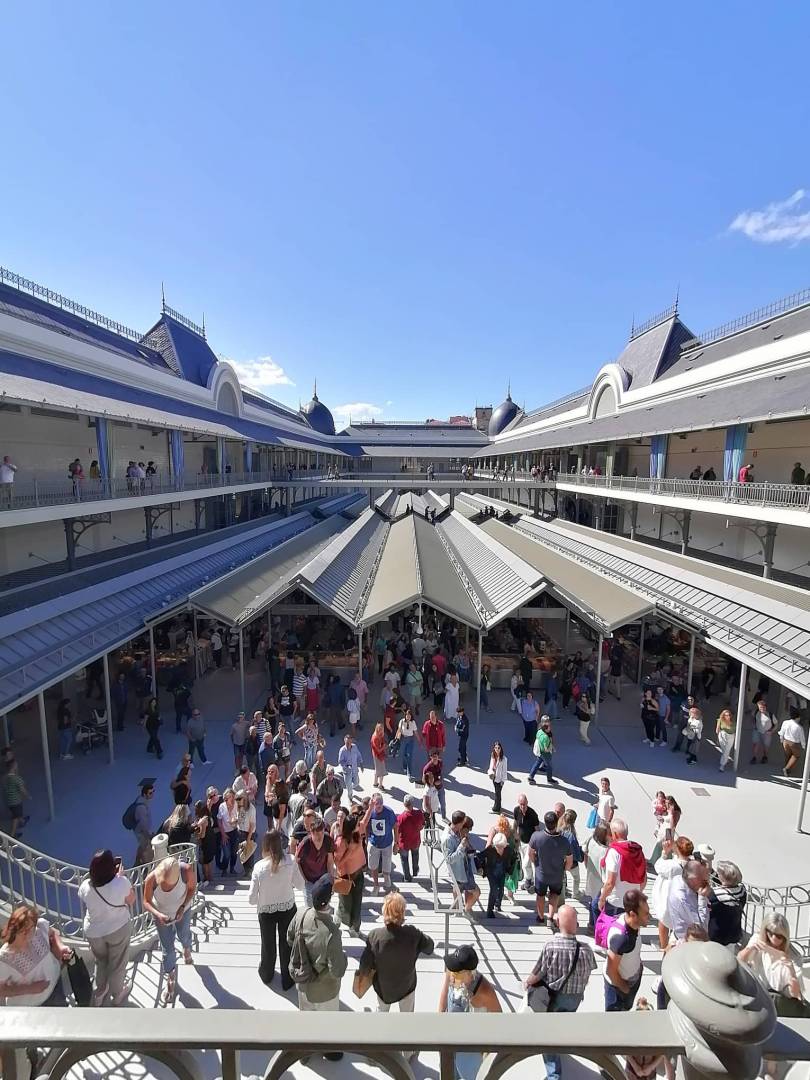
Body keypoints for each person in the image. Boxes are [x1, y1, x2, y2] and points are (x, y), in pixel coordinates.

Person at [524, 905, 597, 1080]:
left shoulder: (550, 946)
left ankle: (553, 1074)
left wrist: (526, 983)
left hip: (554, 998)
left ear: (557, 922)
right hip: (575, 998)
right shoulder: (586, 949)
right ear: (577, 925)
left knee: (548, 1034)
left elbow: (538, 973)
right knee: (564, 1025)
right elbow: (588, 973)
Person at [286, 877, 347, 1056]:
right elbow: (337, 970)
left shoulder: (300, 914)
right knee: (327, 1025)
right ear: (329, 900)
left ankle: (305, 1053)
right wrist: (343, 958)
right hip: (325, 991)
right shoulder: (331, 932)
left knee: (306, 1021)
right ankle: (329, 1052)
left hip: (303, 983)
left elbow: (289, 939)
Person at [358, 891, 434, 1032]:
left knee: (381, 1014)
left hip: (383, 987)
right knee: (407, 1021)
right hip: (407, 985)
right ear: (403, 912)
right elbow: (430, 947)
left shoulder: (375, 936)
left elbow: (364, 966)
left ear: (384, 911)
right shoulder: (413, 934)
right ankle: (407, 1051)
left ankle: (381, 1045)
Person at [78, 850, 135, 1006]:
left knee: (101, 960)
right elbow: (131, 900)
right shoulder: (120, 882)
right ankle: (117, 994)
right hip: (118, 928)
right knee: (117, 963)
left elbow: (85, 899)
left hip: (93, 931)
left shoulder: (85, 886)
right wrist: (121, 877)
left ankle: (100, 991)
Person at [248, 831, 301, 990]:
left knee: (268, 944)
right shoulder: (291, 861)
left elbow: (251, 899)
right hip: (287, 908)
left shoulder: (258, 867)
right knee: (287, 944)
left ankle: (266, 973)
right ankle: (288, 979)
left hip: (266, 910)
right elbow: (301, 885)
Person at [143, 856, 196, 1003]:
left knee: (184, 934)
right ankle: (170, 976)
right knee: (167, 948)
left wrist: (183, 907)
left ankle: (186, 949)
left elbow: (192, 888)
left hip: (182, 911)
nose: (165, 886)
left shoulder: (186, 870)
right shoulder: (151, 879)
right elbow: (146, 901)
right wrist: (158, 914)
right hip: (162, 916)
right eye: (163, 883)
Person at [0, 905, 72, 1006]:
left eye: (30, 929)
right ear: (13, 929)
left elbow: (52, 933)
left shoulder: (40, 928)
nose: (27, 933)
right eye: (23, 930)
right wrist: (30, 988)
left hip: (55, 987)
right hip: (33, 1007)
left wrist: (60, 947)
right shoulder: (4, 958)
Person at [739, 911, 803, 1007]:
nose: (774, 938)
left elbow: (795, 994)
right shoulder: (758, 940)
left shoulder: (793, 956)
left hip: (779, 1004)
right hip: (758, 996)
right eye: (770, 933)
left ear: (785, 937)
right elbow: (740, 960)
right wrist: (751, 948)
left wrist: (791, 973)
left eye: (779, 936)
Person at [603, 889, 649, 1012]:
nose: (648, 917)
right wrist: (626, 990)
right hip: (618, 989)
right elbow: (610, 971)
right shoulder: (620, 938)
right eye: (645, 914)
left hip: (632, 979)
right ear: (633, 914)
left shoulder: (634, 923)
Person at [529, 810, 572, 925]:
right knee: (554, 895)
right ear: (557, 823)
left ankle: (541, 916)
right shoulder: (564, 841)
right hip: (557, 875)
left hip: (541, 874)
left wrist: (536, 864)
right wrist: (564, 870)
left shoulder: (536, 837)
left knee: (540, 895)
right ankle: (551, 917)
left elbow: (531, 853)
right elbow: (569, 861)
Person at [650, 836, 693, 949]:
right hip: (685, 899)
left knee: (663, 920)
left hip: (668, 898)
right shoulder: (692, 865)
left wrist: (664, 852)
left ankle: (664, 946)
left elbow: (657, 866)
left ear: (677, 849)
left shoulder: (672, 866)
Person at [598, 818, 647, 916]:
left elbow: (610, 883)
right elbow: (644, 878)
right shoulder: (638, 850)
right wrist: (637, 892)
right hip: (632, 902)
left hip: (616, 903)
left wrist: (602, 899)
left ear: (615, 834)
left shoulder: (614, 852)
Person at [439, 944, 501, 1013]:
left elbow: (499, 1018)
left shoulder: (485, 992)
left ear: (470, 974)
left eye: (457, 973)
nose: (452, 975)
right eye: (452, 969)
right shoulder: (451, 970)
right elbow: (445, 991)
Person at [333, 811, 367, 936]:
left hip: (358, 874)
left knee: (357, 904)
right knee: (345, 907)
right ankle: (339, 917)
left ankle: (355, 928)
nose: (359, 825)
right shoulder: (341, 842)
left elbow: (365, 820)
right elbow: (337, 863)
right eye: (357, 824)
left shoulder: (357, 835)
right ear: (351, 827)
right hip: (345, 878)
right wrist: (350, 852)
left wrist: (371, 807)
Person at [443, 810, 480, 915]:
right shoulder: (448, 838)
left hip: (463, 868)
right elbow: (449, 859)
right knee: (475, 891)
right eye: (464, 824)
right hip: (460, 870)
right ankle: (466, 909)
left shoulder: (457, 831)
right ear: (460, 824)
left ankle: (458, 908)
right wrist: (462, 846)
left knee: (457, 887)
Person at [296, 813, 335, 906]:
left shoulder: (327, 840)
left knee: (324, 905)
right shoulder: (305, 844)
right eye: (316, 833)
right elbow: (297, 861)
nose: (320, 836)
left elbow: (330, 861)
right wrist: (304, 879)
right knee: (310, 906)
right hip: (309, 878)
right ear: (311, 832)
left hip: (323, 877)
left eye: (321, 832)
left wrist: (330, 877)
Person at [666, 858, 709, 940]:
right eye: (702, 879)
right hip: (687, 942)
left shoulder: (678, 878)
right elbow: (701, 929)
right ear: (693, 879)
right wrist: (702, 898)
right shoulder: (684, 900)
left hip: (678, 933)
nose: (705, 882)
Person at [707, 860, 746, 948]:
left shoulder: (716, 894)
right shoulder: (742, 891)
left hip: (717, 937)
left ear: (722, 878)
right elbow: (727, 882)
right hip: (734, 934)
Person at [367, 793, 398, 895]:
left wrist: (396, 843)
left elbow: (395, 826)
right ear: (373, 804)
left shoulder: (389, 812)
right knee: (373, 866)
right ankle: (376, 885)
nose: (379, 805)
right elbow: (365, 826)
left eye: (380, 803)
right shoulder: (370, 812)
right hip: (374, 843)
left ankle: (386, 878)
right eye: (376, 803)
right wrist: (367, 840)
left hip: (387, 843)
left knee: (387, 863)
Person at [480, 832, 515, 918]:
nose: (500, 849)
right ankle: (489, 910)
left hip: (502, 871)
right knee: (494, 889)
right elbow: (480, 857)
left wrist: (510, 871)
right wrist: (481, 868)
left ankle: (498, 904)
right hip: (491, 872)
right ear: (494, 845)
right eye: (498, 847)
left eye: (502, 847)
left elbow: (514, 859)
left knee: (501, 889)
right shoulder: (490, 849)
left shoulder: (508, 850)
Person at [582, 823, 611, 930]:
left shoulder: (590, 840)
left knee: (592, 900)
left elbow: (585, 852)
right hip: (602, 880)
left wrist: (587, 867)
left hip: (591, 875)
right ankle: (596, 928)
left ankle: (591, 925)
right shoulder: (607, 851)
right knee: (599, 905)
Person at [514, 793, 540, 890]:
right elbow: (516, 824)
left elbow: (537, 829)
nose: (522, 806)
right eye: (521, 804)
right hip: (522, 842)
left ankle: (529, 880)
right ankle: (530, 881)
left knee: (525, 864)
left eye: (524, 804)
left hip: (531, 843)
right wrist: (516, 838)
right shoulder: (516, 811)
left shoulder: (532, 814)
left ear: (527, 803)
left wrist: (538, 844)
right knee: (527, 864)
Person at [397, 794, 424, 882]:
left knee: (404, 860)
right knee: (415, 855)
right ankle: (415, 871)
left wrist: (396, 843)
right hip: (415, 841)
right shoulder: (419, 813)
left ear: (404, 804)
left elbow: (398, 831)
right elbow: (422, 825)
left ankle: (407, 877)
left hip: (404, 843)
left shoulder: (401, 818)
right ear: (413, 803)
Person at [132, 778, 155, 865]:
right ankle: (145, 865)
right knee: (145, 847)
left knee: (142, 846)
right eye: (150, 793)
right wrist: (149, 835)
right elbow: (143, 824)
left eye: (153, 791)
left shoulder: (142, 800)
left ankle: (137, 861)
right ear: (144, 794)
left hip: (140, 830)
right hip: (142, 832)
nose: (152, 794)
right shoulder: (141, 807)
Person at [529, 717, 558, 785]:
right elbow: (546, 749)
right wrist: (551, 748)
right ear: (546, 729)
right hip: (545, 754)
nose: (550, 728)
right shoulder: (545, 737)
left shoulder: (539, 731)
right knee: (549, 766)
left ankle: (531, 777)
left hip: (540, 752)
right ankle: (549, 779)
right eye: (549, 728)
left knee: (537, 763)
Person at [217, 788, 239, 876]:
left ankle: (232, 868)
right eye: (230, 797)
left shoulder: (237, 805)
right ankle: (224, 868)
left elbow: (241, 816)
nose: (232, 799)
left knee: (234, 852)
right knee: (227, 854)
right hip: (225, 832)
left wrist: (236, 821)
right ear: (226, 798)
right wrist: (223, 835)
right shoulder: (222, 806)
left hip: (234, 832)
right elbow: (219, 820)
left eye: (233, 796)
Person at [779, 706, 806, 776]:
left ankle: (787, 768)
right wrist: (803, 746)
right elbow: (802, 738)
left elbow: (782, 732)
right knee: (796, 756)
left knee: (787, 755)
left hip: (785, 741)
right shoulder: (799, 727)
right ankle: (787, 769)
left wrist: (781, 740)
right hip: (793, 743)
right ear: (797, 717)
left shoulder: (785, 722)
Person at [422, 748, 447, 819]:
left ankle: (444, 817)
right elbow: (423, 780)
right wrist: (431, 783)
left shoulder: (440, 762)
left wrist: (440, 781)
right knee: (431, 805)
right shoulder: (427, 768)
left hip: (440, 786)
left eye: (436, 756)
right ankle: (431, 817)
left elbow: (441, 774)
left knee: (443, 803)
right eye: (433, 757)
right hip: (432, 788)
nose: (435, 758)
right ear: (430, 757)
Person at [751, 697, 777, 765]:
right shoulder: (756, 712)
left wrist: (772, 731)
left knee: (766, 746)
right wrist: (754, 725)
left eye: (763, 707)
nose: (761, 709)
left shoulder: (771, 715)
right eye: (760, 707)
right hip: (757, 731)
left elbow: (776, 724)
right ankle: (754, 757)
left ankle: (765, 756)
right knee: (755, 744)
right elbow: (753, 718)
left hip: (767, 733)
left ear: (765, 707)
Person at [236, 792, 257, 876]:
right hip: (240, 832)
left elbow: (252, 825)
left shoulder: (251, 809)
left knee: (249, 852)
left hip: (248, 833)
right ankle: (246, 871)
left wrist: (248, 839)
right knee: (243, 853)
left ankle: (250, 871)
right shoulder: (239, 807)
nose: (237, 801)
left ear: (244, 799)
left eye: (239, 799)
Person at [397, 707, 421, 782]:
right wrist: (396, 739)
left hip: (410, 740)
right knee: (404, 754)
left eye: (409, 716)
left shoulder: (413, 723)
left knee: (409, 756)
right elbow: (399, 730)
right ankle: (404, 766)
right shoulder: (402, 721)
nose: (408, 717)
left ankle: (409, 773)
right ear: (405, 715)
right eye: (407, 715)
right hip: (404, 739)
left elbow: (416, 732)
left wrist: (419, 740)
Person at [488, 740, 508, 812]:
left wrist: (503, 781)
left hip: (499, 779)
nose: (497, 749)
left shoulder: (504, 759)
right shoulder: (493, 755)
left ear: (501, 749)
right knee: (497, 793)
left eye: (498, 748)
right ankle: (497, 805)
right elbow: (491, 765)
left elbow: (504, 771)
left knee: (497, 794)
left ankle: (496, 808)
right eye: (495, 748)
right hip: (494, 777)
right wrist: (490, 772)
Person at [715, 707, 736, 772]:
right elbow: (717, 730)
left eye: (729, 715)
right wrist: (717, 739)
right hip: (722, 735)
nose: (728, 716)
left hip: (731, 736)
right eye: (726, 715)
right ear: (723, 715)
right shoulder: (720, 720)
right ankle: (725, 760)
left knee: (727, 750)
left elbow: (736, 730)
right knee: (724, 750)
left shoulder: (734, 721)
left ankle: (722, 765)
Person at [370, 722, 388, 789]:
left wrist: (384, 744)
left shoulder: (380, 734)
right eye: (379, 729)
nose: (381, 730)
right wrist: (384, 747)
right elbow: (378, 750)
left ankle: (375, 783)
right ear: (377, 729)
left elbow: (383, 741)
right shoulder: (375, 738)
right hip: (378, 755)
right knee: (382, 771)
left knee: (377, 769)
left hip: (377, 754)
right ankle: (380, 785)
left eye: (382, 729)